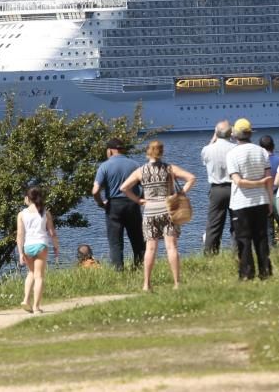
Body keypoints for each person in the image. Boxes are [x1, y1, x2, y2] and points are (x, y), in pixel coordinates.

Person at [120, 140, 196, 291]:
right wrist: (180, 194)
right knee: (171, 247)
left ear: (147, 152)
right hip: (168, 210)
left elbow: (124, 188)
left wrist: (139, 200)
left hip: (149, 211)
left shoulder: (140, 171)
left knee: (150, 249)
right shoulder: (169, 168)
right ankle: (176, 283)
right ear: (161, 152)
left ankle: (146, 284)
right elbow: (191, 178)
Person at [226, 118, 274, 280]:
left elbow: (238, 181)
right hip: (261, 200)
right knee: (261, 238)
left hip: (241, 202)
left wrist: (257, 183)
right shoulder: (261, 151)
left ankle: (246, 273)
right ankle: (265, 272)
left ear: (235, 135)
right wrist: (270, 201)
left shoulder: (232, 154)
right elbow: (269, 179)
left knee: (243, 239)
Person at [92, 138, 145, 270]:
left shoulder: (104, 166)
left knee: (115, 241)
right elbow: (145, 186)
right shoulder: (135, 165)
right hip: (132, 204)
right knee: (137, 238)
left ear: (109, 150)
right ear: (123, 149)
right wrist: (140, 199)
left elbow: (95, 190)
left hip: (114, 205)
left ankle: (118, 269)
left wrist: (100, 203)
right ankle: (140, 267)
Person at [16, 186, 60, 313]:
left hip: (28, 247)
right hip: (41, 245)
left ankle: (25, 299)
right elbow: (52, 233)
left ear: (27, 198)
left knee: (31, 273)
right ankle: (36, 306)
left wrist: (20, 253)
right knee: (39, 276)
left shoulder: (21, 214)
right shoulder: (45, 213)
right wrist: (56, 246)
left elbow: (20, 235)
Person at [201, 120, 235, 255]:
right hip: (234, 188)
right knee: (237, 222)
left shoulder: (207, 149)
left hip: (216, 189)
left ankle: (210, 253)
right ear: (231, 133)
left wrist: (213, 139)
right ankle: (238, 252)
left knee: (214, 224)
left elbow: (204, 157)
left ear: (216, 133)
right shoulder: (235, 148)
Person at [259, 135, 279, 245]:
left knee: (268, 230)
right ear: (273, 146)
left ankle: (271, 252)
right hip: (278, 196)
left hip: (263, 197)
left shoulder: (259, 163)